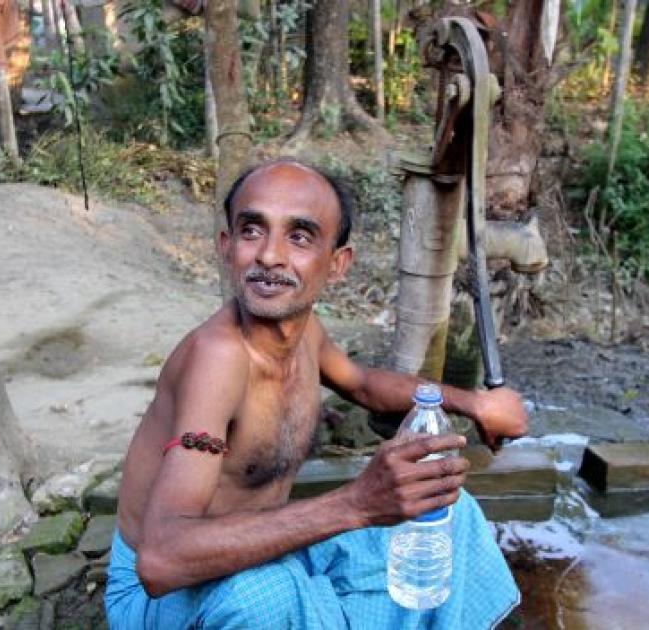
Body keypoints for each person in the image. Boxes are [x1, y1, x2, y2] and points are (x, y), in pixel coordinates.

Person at [105, 158, 529, 629]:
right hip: (159, 596)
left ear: (337, 263)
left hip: (257, 552)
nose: (270, 255)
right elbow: (160, 560)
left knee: (448, 510)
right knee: (269, 595)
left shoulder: (303, 332)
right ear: (227, 246)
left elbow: (365, 384)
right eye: (252, 231)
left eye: (300, 237)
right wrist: (357, 503)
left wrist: (475, 403)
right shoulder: (216, 359)